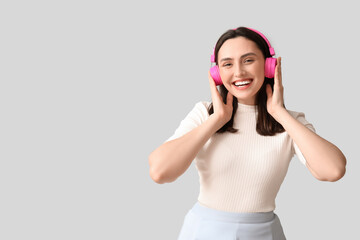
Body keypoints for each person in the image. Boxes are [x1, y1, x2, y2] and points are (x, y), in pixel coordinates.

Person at [148, 27, 347, 240]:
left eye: (248, 60)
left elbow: (333, 170)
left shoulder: (289, 122)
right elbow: (160, 172)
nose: (239, 72)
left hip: (264, 233)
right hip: (204, 231)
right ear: (217, 73)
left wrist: (279, 113)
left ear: (270, 66)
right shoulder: (204, 114)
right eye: (227, 64)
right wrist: (217, 120)